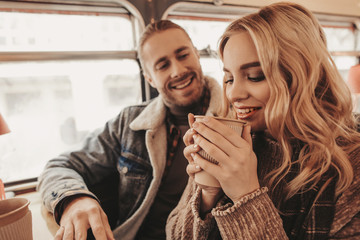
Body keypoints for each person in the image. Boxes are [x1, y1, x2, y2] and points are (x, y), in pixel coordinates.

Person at [166, 2, 360, 239]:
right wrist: (207, 194)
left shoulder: (350, 167)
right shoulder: (229, 141)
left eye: (255, 76)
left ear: (301, 76)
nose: (233, 94)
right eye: (229, 79)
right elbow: (174, 235)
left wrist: (245, 196)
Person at [37, 19, 222, 240]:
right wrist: (74, 199)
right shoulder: (129, 124)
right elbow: (59, 165)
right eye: (163, 65)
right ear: (149, 78)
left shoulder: (235, 118)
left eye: (183, 55)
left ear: (197, 54)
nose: (178, 70)